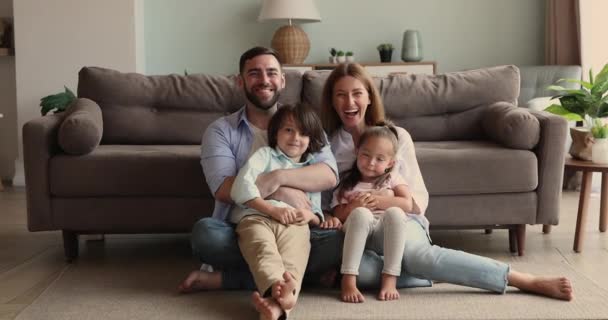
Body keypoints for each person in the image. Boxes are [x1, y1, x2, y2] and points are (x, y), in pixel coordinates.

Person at [320, 62, 574, 301]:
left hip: (400, 222)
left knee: (416, 258)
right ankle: (428, 273)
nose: (349, 102)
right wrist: (347, 211)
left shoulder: (397, 137)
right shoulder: (328, 146)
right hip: (358, 231)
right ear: (332, 101)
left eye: (357, 93)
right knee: (357, 272)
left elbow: (416, 200)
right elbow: (327, 207)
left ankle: (519, 278)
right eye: (340, 95)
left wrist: (383, 201)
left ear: (369, 97)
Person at [178, 47, 343, 295]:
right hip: (246, 226)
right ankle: (303, 277)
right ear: (240, 81)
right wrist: (281, 193)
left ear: (282, 80)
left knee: (342, 241)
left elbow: (328, 175)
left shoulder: (306, 123)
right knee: (206, 235)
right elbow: (223, 189)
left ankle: (229, 279)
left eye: (271, 73)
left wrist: (280, 178)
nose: (264, 80)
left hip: (298, 227)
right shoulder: (221, 130)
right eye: (254, 73)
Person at [231, 104, 326, 319]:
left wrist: (308, 216)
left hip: (294, 224)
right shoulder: (264, 155)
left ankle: (276, 306)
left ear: (311, 140)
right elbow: (241, 186)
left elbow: (316, 211)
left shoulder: (310, 167)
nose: (295, 138)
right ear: (275, 133)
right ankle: (279, 291)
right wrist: (272, 210)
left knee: (295, 255)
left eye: (303, 133)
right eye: (289, 130)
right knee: (263, 250)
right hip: (257, 217)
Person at [331, 122, 418, 303]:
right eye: (366, 155)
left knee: (396, 213)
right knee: (361, 214)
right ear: (357, 152)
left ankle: (390, 277)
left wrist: (377, 200)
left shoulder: (392, 178)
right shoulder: (347, 182)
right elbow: (337, 214)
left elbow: (407, 204)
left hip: (382, 234)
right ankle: (348, 279)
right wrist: (352, 207)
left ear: (390, 163)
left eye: (380, 159)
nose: (371, 163)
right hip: (356, 232)